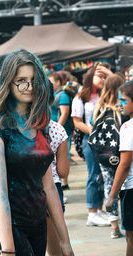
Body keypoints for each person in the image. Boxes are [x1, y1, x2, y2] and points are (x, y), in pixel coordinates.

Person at [0, 49, 74, 256]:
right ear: (7, 82)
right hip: (8, 225)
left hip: (38, 221)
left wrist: (65, 241)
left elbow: (49, 187)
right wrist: (7, 250)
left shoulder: (40, 123)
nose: (29, 87)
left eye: (33, 80)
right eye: (21, 80)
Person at [71, 63, 112, 227]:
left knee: (102, 176)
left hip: (106, 142)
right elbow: (77, 122)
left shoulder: (107, 95)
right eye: (99, 76)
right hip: (91, 141)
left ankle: (99, 209)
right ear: (90, 77)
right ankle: (92, 213)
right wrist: (93, 132)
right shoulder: (80, 97)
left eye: (105, 77)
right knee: (94, 175)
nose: (102, 79)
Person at [92, 74, 125, 238]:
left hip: (104, 156)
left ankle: (114, 226)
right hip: (123, 155)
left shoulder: (99, 107)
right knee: (124, 186)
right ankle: (126, 221)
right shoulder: (124, 108)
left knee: (109, 187)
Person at [106, 81, 133, 256]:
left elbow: (124, 164)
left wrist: (112, 195)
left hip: (131, 190)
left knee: (131, 238)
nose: (120, 105)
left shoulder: (128, 128)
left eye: (124, 101)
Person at [47, 81, 70, 256]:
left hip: (23, 189)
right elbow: (63, 172)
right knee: (55, 243)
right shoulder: (57, 130)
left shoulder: (20, 127)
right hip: (53, 189)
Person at [48, 72, 72, 190]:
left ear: (58, 82)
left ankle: (64, 183)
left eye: (52, 82)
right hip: (54, 130)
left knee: (62, 156)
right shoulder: (55, 95)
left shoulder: (62, 96)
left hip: (59, 132)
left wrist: (57, 128)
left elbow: (65, 113)